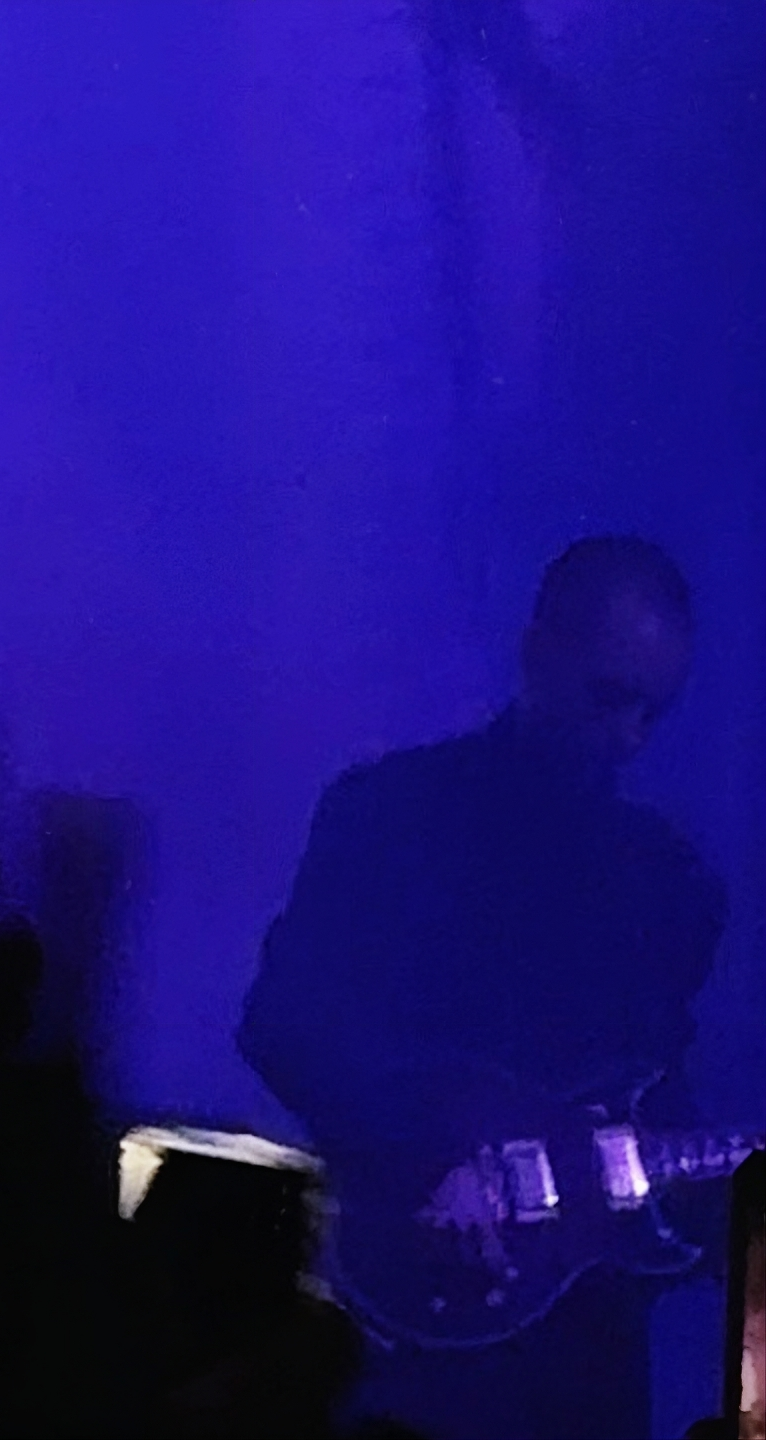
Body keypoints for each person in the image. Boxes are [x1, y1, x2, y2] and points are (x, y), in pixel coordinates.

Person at [238, 535, 731, 1439]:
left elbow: (660, 1101)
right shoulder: (391, 812)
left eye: (653, 715)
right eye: (610, 697)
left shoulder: (670, 883)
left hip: (582, 1363)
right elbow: (282, 1019)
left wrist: (709, 1194)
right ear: (539, 652)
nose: (629, 737)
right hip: (401, 1335)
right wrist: (429, 1150)